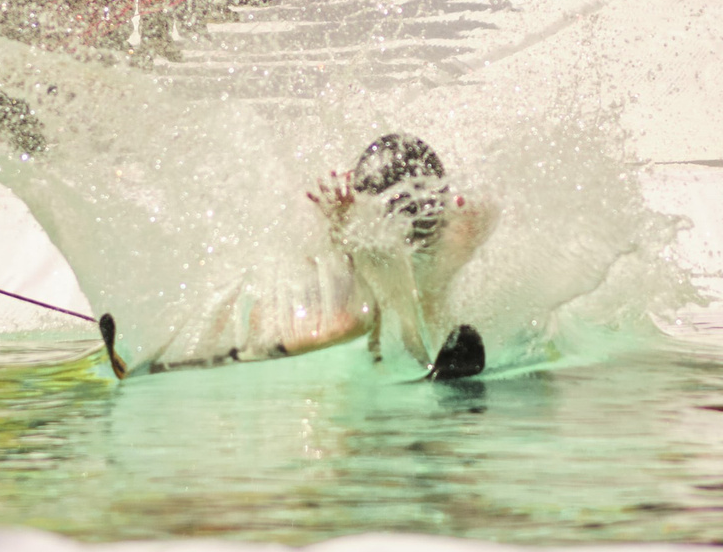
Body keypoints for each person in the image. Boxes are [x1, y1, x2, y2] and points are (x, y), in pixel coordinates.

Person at [103, 133, 492, 379]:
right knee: (348, 323)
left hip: (398, 267)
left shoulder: (452, 225)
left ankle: (426, 358)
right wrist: (337, 221)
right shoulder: (359, 217)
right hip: (352, 279)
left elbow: (482, 217)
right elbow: (342, 248)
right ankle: (196, 356)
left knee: (428, 295)